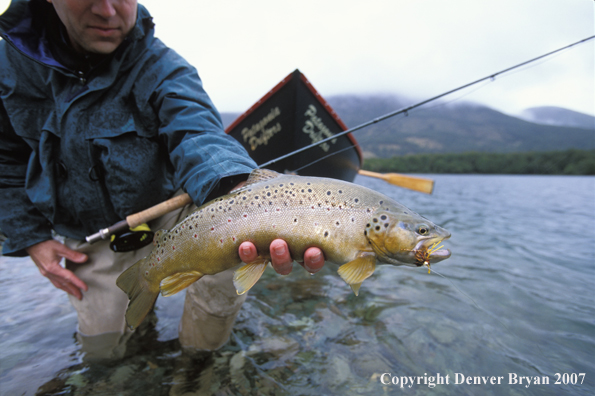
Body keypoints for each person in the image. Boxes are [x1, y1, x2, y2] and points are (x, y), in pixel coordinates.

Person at [0, 0, 325, 359]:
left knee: (238, 244)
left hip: (169, 214)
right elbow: (4, 161)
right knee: (103, 354)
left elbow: (198, 134)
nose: (108, 11)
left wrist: (238, 187)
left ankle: (198, 362)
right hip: (91, 235)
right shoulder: (9, 68)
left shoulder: (164, 67)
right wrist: (31, 239)